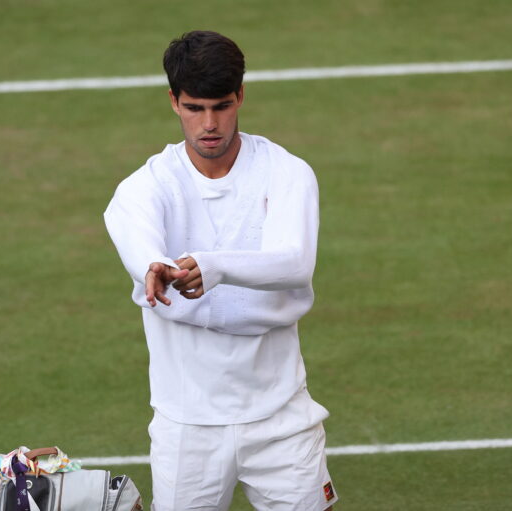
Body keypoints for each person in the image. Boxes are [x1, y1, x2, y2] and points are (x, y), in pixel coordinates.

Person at [104, 30, 338, 511]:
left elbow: (294, 262)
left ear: (241, 97)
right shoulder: (143, 188)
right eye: (194, 108)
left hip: (282, 420)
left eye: (221, 106)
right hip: (187, 427)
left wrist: (211, 266)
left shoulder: (288, 173)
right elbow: (139, 242)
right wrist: (156, 265)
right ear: (173, 102)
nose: (209, 123)